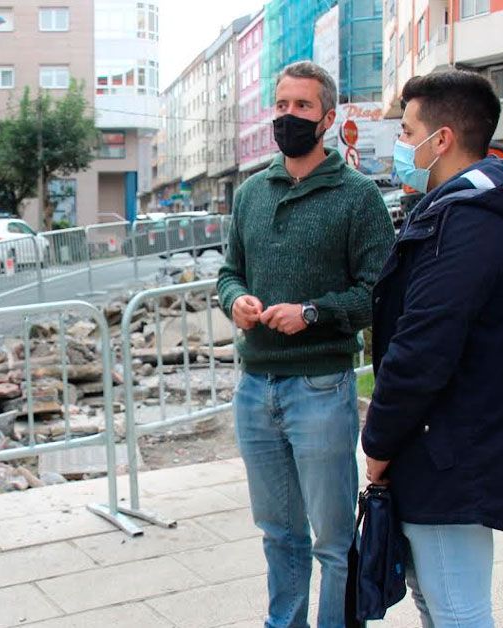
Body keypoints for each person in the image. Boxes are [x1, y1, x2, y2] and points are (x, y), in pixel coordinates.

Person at [362, 70, 503, 627]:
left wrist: (378, 443)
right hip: (446, 446)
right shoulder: (460, 214)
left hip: (451, 454)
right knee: (441, 603)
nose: (400, 145)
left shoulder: (467, 225)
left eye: (406, 131)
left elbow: (422, 348)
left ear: (440, 139)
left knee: (458, 612)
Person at [217, 61, 395, 628]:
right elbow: (228, 273)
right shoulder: (250, 194)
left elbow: (379, 292)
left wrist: (313, 314)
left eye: (301, 107)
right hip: (254, 389)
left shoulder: (357, 196)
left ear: (327, 116)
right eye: (282, 105)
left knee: (334, 539)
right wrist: (236, 300)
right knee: (278, 534)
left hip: (321, 386)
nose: (288, 116)